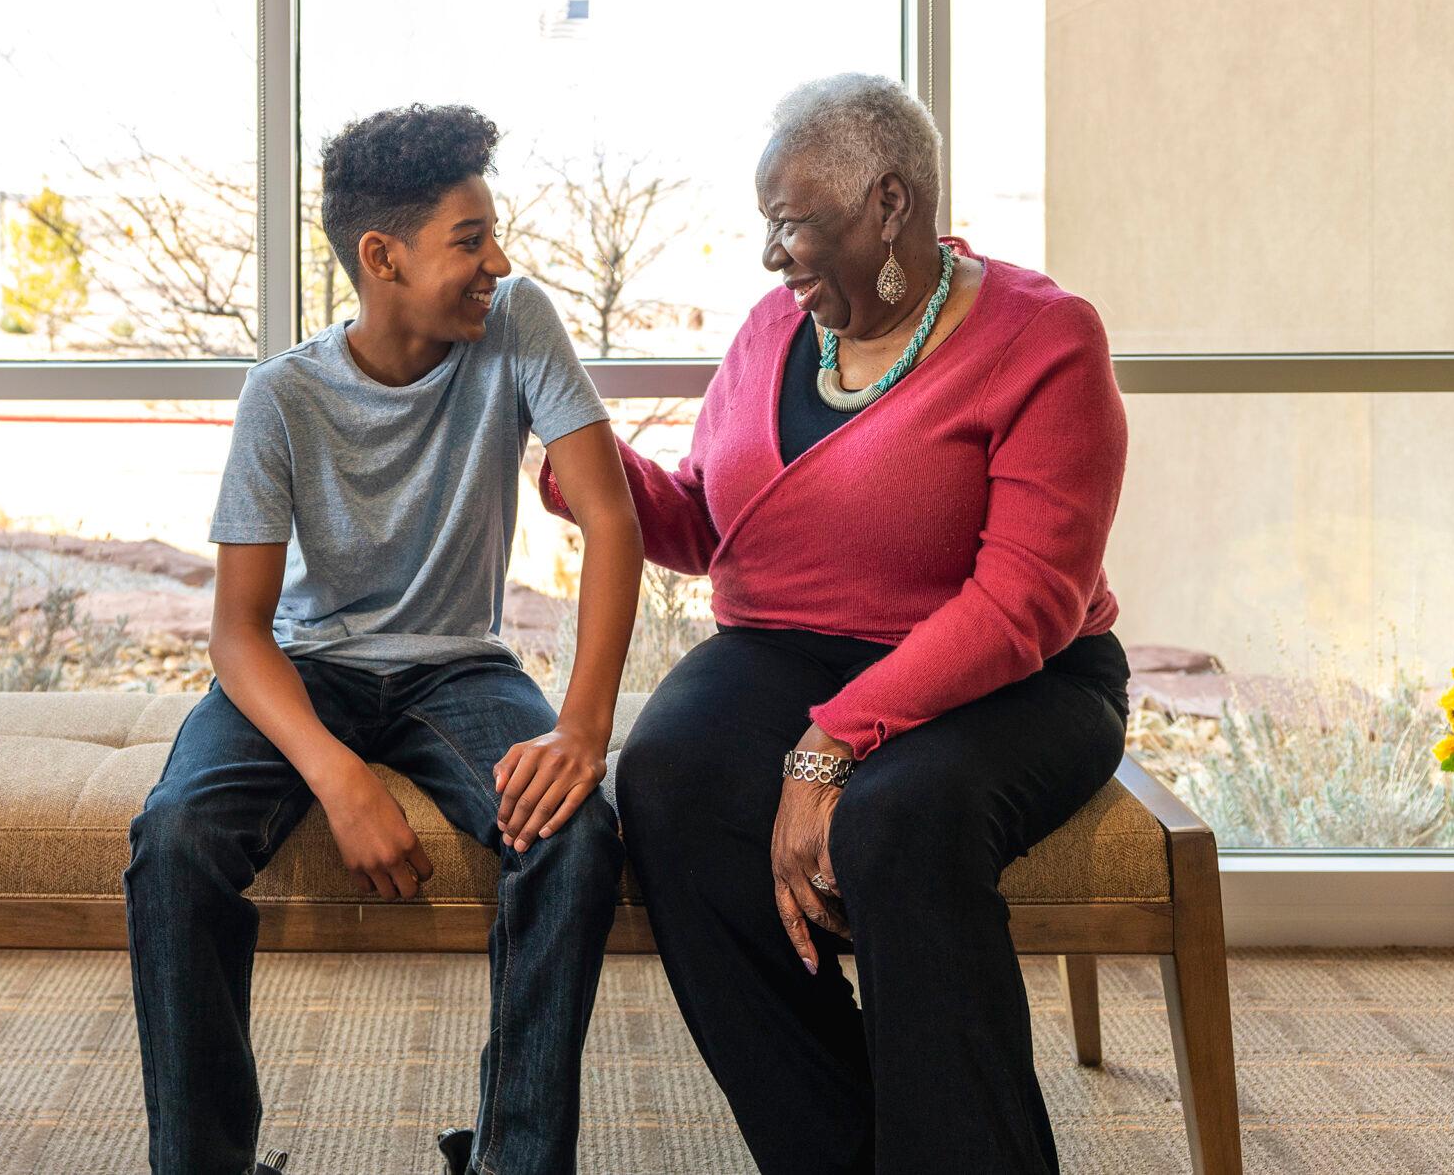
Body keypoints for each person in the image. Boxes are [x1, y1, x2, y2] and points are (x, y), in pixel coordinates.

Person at [542, 73, 1131, 1175]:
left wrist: (831, 743)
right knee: (667, 780)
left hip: (1014, 676)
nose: (773, 256)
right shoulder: (776, 329)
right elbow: (710, 520)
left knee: (896, 821)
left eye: (792, 223)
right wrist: (577, 460)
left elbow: (1027, 604)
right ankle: (837, 1147)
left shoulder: (1043, 338)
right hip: (789, 647)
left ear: (889, 204)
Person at [127, 102, 644, 1175]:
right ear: (382, 256)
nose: (496, 261)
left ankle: (513, 1161)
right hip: (301, 671)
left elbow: (610, 517)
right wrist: (339, 775)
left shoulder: (517, 320)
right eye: (470, 238)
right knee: (175, 840)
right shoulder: (282, 397)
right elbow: (237, 632)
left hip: (459, 668)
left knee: (575, 839)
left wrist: (583, 730)